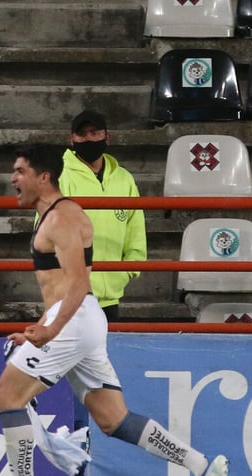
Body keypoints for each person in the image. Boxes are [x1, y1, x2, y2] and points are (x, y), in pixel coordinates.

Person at [0, 144, 229, 476]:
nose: (13, 179)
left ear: (43, 177)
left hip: (74, 320)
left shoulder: (62, 218)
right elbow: (62, 289)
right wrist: (41, 325)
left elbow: (77, 285)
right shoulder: (53, 215)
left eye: (19, 171)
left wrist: (50, 330)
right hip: (80, 321)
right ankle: (202, 466)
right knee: (114, 420)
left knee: (7, 397)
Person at [59, 109, 147, 322]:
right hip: (72, 295)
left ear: (107, 136)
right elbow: (46, 232)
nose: (88, 138)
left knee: (105, 354)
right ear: (72, 139)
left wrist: (127, 271)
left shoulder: (124, 179)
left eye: (94, 132)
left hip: (112, 296)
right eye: (82, 134)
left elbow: (135, 229)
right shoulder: (60, 176)